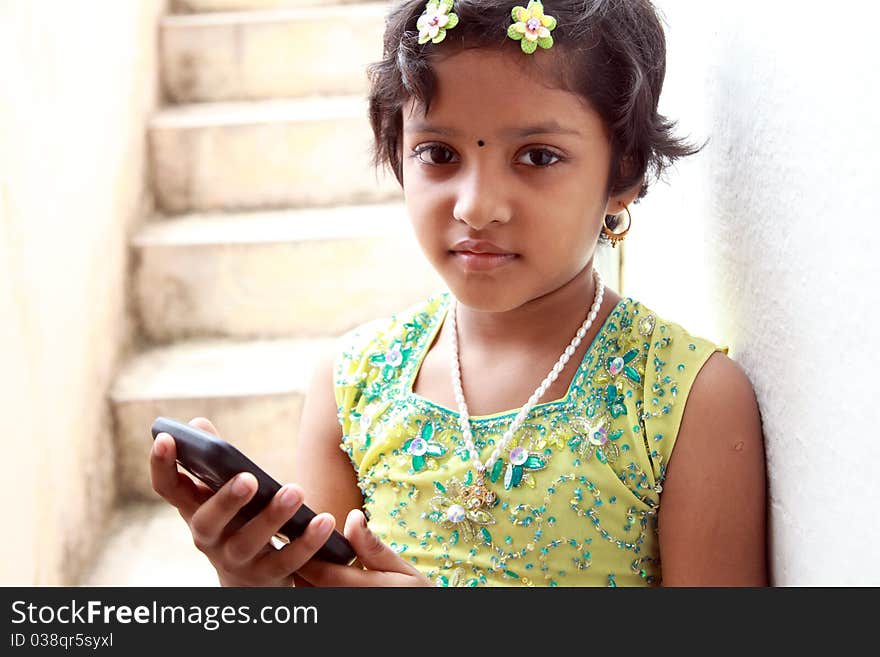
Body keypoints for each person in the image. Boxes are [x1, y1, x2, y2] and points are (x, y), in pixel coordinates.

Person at [150, 0, 766, 587]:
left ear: (623, 172)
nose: (476, 207)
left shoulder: (687, 400)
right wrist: (246, 579)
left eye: (538, 156)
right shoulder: (353, 382)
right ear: (398, 155)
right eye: (439, 153)